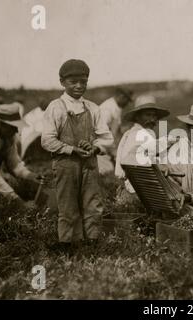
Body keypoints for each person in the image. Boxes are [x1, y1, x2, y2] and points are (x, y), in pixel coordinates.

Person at [41, 59, 113, 250]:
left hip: (89, 163)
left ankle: (92, 242)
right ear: (62, 82)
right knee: (67, 205)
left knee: (92, 202)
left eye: (83, 81)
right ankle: (67, 245)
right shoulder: (55, 107)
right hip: (66, 164)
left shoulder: (93, 108)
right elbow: (47, 140)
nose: (79, 86)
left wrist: (94, 147)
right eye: (73, 82)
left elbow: (106, 137)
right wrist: (71, 149)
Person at [114, 94, 170, 206]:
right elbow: (132, 162)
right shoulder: (135, 134)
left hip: (143, 186)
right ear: (137, 117)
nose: (152, 119)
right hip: (137, 190)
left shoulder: (147, 133)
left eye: (154, 116)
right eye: (148, 115)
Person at [99, 87, 134, 159]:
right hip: (100, 148)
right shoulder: (107, 108)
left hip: (108, 148)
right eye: (127, 100)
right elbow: (101, 130)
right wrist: (112, 150)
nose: (127, 104)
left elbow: (116, 129)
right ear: (122, 96)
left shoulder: (116, 107)